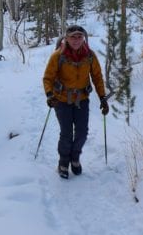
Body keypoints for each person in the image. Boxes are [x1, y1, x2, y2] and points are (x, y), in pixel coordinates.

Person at [42, 24, 109, 179]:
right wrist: (49, 95)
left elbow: (97, 77)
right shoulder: (58, 56)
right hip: (61, 100)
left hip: (82, 99)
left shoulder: (90, 56)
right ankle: (63, 162)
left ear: (83, 38)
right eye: (73, 37)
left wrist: (102, 98)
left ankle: (75, 158)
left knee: (82, 133)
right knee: (66, 133)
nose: (77, 40)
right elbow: (48, 78)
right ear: (66, 38)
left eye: (80, 36)